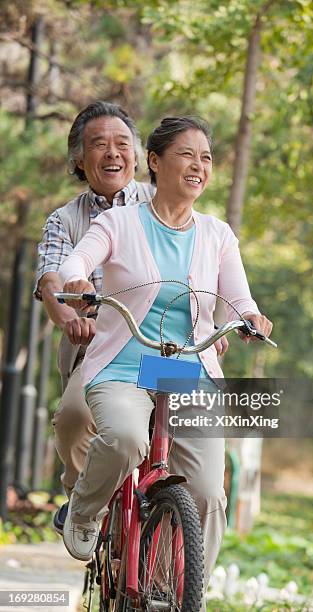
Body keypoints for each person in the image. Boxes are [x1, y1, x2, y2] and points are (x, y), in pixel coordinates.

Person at [59, 116, 273, 597]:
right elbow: (78, 260)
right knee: (126, 438)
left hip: (184, 368)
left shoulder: (217, 235)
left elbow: (240, 298)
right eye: (187, 154)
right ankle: (85, 511)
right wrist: (75, 280)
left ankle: (181, 593)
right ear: (154, 162)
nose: (199, 165)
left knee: (207, 494)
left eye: (207, 158)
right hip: (125, 364)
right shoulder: (117, 222)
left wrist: (251, 318)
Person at [35, 101, 156, 531]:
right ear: (78, 159)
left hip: (165, 346)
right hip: (99, 346)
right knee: (75, 418)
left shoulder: (163, 204)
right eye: (99, 144)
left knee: (200, 441)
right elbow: (52, 283)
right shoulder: (65, 221)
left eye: (122, 143)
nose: (112, 153)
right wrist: (69, 316)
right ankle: (86, 499)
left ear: (138, 156)